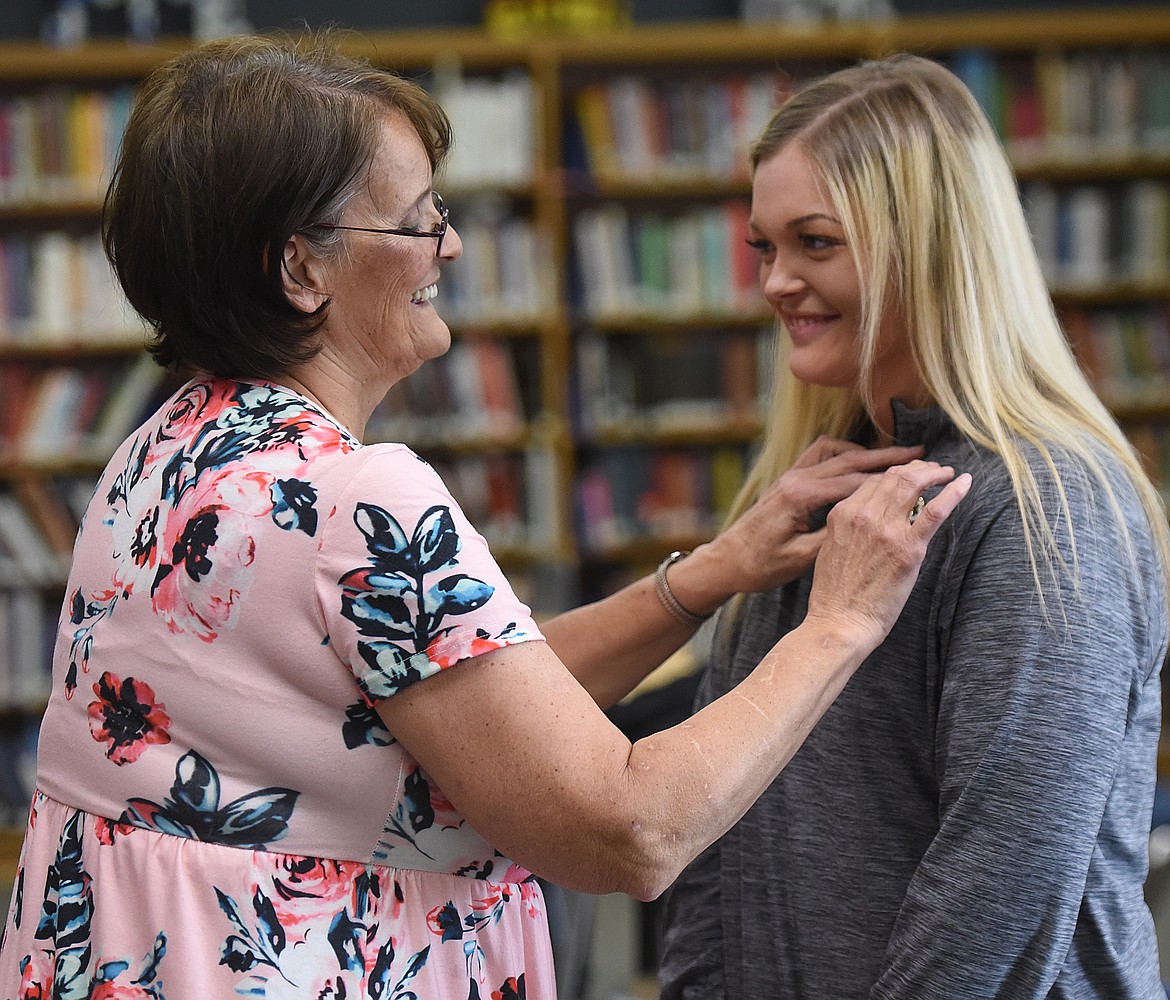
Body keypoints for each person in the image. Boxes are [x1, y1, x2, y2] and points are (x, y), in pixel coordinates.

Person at [0, 34, 970, 999]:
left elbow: (466, 700)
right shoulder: (358, 499)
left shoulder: (168, 448)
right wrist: (839, 621)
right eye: (418, 220)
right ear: (301, 270)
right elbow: (630, 830)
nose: (451, 245)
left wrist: (708, 573)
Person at [657, 53, 1170, 1000]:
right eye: (764, 247)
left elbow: (1003, 880)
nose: (776, 283)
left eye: (815, 242)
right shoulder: (818, 484)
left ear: (927, 245)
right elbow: (723, 833)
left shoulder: (1048, 503)